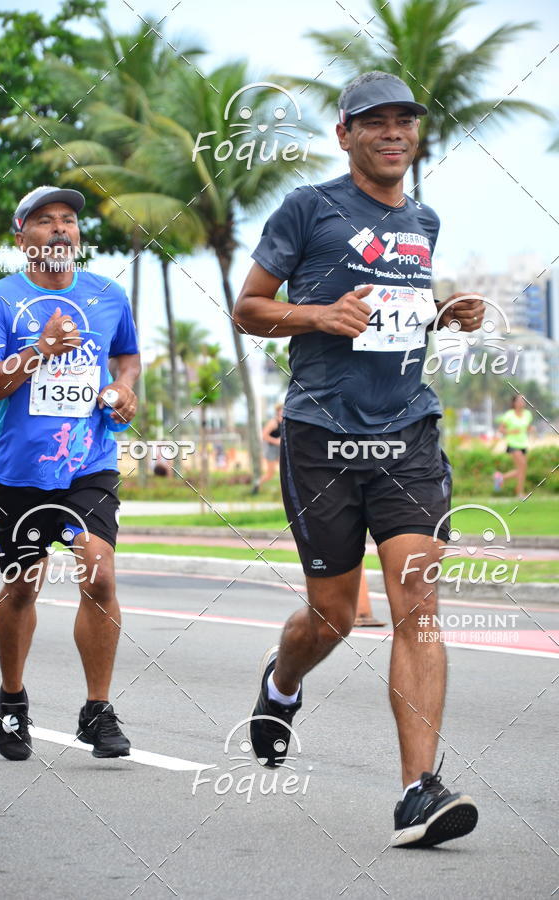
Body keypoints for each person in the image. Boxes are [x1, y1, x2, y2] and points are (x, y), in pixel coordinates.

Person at [234, 71, 485, 847]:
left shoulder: (425, 220)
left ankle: (418, 792)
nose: (391, 132)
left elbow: (394, 313)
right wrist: (317, 315)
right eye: (372, 121)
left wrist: (441, 314)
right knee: (332, 617)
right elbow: (248, 307)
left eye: (403, 120)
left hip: (408, 432)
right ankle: (281, 685)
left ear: (415, 134)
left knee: (419, 602)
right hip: (322, 438)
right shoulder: (308, 208)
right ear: (344, 135)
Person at [0, 185, 140, 762]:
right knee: (22, 586)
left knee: (100, 572)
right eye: (45, 222)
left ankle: (97, 710)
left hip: (89, 461)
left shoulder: (108, 295)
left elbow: (127, 357)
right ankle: (13, 698)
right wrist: (38, 351)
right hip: (21, 470)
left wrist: (123, 391)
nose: (61, 230)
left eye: (68, 220)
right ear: (22, 238)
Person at [494, 394, 534, 498]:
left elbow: (528, 427)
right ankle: (519, 493)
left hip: (523, 444)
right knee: (523, 466)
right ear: (514, 403)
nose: (522, 402)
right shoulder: (509, 415)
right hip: (513, 444)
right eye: (520, 400)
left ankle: (501, 477)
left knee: (522, 469)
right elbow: (501, 429)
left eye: (523, 400)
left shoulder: (527, 414)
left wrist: (531, 430)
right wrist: (511, 431)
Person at [260, 403, 283, 485]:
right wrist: (276, 441)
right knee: (270, 475)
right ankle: (256, 487)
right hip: (271, 449)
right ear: (278, 412)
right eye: (282, 410)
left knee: (284, 472)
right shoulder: (273, 422)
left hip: (279, 449)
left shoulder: (284, 422)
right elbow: (264, 435)